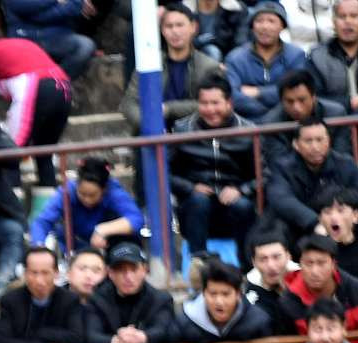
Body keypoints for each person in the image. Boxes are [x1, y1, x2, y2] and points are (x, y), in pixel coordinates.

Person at [168, 78, 258, 260]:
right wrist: (190, 187)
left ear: (229, 103)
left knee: (243, 206)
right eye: (204, 103)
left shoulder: (248, 131)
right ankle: (198, 265)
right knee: (198, 201)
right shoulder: (182, 129)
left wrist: (241, 190)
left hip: (235, 204)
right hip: (195, 208)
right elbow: (165, 173)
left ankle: (248, 265)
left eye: (215, 103)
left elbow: (264, 174)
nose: (210, 109)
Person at [265, 116, 358, 237]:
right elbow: (281, 200)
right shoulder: (282, 167)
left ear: (328, 141)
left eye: (320, 140)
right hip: (302, 226)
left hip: (342, 225)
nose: (315, 147)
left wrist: (347, 198)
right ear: (296, 144)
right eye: (308, 141)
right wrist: (316, 222)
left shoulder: (344, 163)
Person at [123, 3, 219, 134]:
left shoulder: (208, 66)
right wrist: (150, 125)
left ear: (193, 27)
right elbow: (128, 104)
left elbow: (212, 105)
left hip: (194, 134)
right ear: (162, 30)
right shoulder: (149, 64)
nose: (175, 31)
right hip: (154, 135)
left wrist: (168, 109)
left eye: (180, 25)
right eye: (169, 26)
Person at [30, 157, 145, 256]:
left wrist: (102, 230)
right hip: (74, 246)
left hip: (109, 246)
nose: (86, 199)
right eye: (82, 194)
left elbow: (136, 219)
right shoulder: (67, 192)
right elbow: (42, 222)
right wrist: (39, 246)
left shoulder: (113, 192)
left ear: (104, 189)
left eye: (92, 195)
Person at [225, 1, 308, 119]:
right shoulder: (235, 58)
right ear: (252, 26)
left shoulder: (296, 55)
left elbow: (297, 93)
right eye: (259, 21)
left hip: (287, 120)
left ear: (282, 26)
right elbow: (232, 95)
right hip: (246, 121)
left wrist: (258, 92)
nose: (265, 27)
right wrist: (267, 112)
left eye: (271, 21)